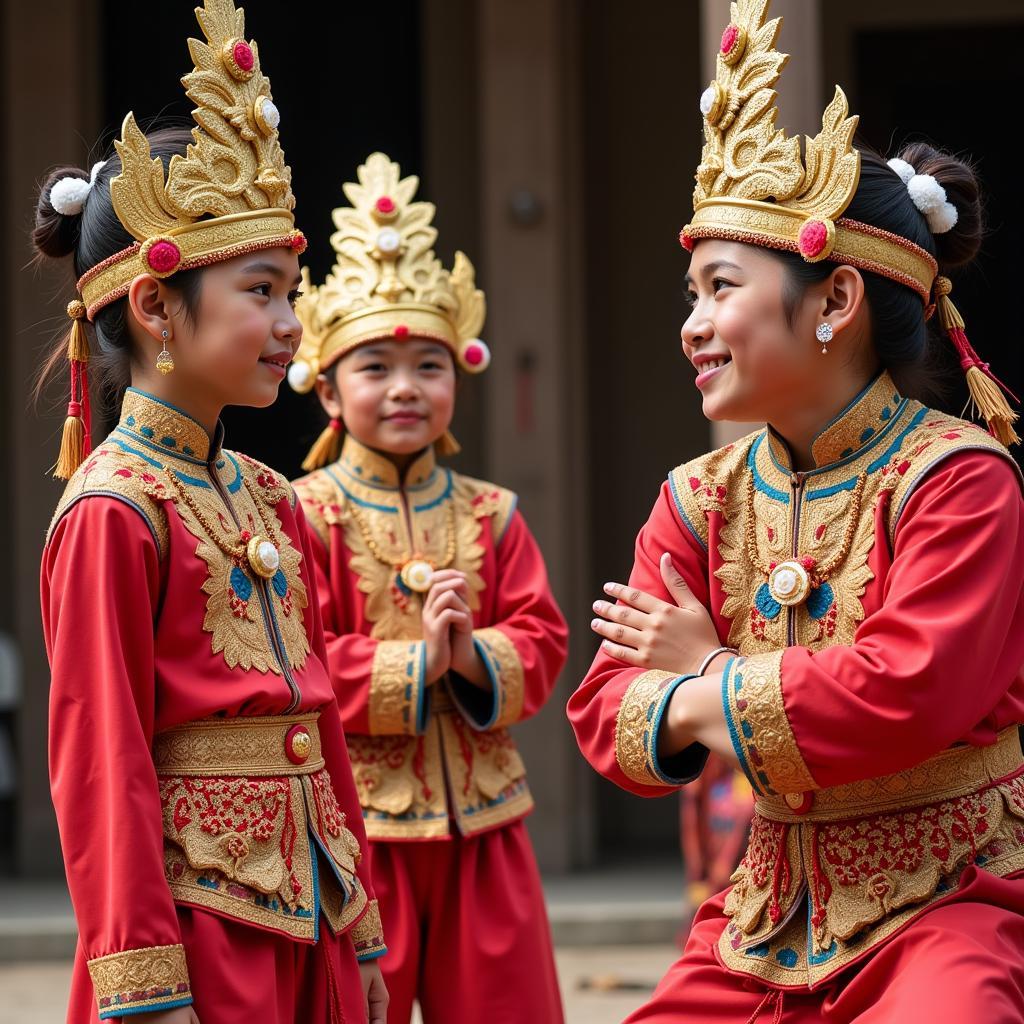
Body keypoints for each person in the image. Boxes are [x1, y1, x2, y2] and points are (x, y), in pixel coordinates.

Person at [568, 0, 1024, 1019]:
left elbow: (902, 693)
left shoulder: (957, 480)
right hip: (761, 913)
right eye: (688, 294)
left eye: (718, 287)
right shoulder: (696, 497)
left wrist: (703, 673)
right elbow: (604, 710)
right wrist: (702, 684)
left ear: (833, 302)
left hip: (952, 899)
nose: (692, 326)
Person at [36, 3, 387, 1020]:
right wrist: (145, 985)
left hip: (312, 919)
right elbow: (102, 766)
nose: (291, 324)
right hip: (200, 937)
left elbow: (316, 728)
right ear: (155, 307)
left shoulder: (269, 494)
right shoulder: (112, 511)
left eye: (293, 290)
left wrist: (361, 928)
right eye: (264, 291)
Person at [287, 152, 568, 1024]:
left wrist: (475, 657)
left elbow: (544, 635)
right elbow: (296, 660)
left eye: (430, 367)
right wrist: (418, 664)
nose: (406, 387)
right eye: (375, 367)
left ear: (462, 374)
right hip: (358, 832)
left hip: (486, 824)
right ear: (328, 389)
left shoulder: (494, 513)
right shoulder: (302, 514)